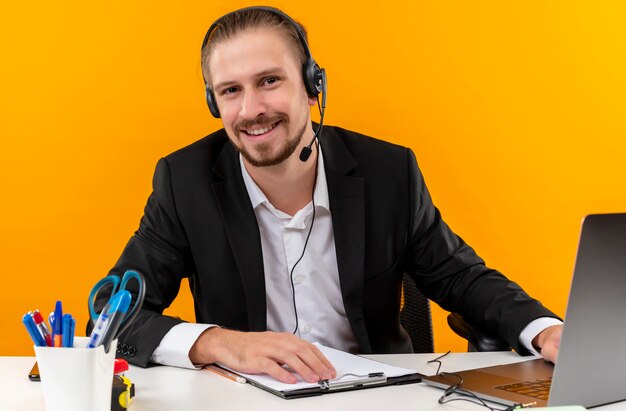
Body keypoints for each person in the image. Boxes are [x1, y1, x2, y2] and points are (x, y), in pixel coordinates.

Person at [100, 6, 562, 384]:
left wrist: (545, 331)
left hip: (377, 404)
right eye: (230, 91)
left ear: (311, 84)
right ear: (213, 103)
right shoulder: (186, 183)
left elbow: (461, 277)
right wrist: (222, 343)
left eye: (269, 81)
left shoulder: (388, 172)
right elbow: (110, 315)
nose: (252, 109)